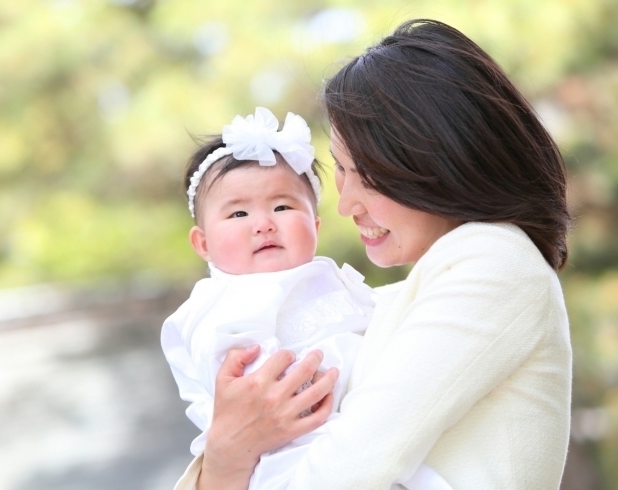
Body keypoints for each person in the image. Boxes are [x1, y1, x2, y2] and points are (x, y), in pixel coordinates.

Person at [174, 19, 573, 490]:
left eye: (366, 174)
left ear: (432, 160)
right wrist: (226, 454)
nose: (346, 205)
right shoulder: (396, 300)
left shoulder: (493, 263)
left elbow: (348, 471)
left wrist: (228, 456)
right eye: (341, 172)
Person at [162, 107, 453, 490]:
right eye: (238, 213)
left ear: (315, 227)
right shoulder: (221, 302)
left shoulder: (324, 278)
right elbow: (243, 381)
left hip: (365, 431)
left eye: (282, 207)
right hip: (287, 451)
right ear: (203, 243)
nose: (263, 223)